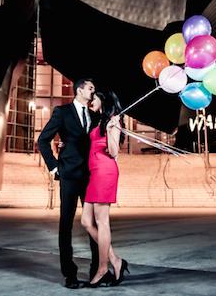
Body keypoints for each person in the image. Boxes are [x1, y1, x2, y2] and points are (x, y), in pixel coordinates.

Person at [37, 78, 101, 289]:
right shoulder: (62, 112)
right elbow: (43, 140)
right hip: (69, 175)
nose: (93, 91)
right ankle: (69, 274)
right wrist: (54, 167)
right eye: (91, 88)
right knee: (66, 224)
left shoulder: (94, 115)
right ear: (80, 89)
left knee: (94, 224)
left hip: (90, 175)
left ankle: (97, 270)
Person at [81, 91, 130, 287]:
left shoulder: (113, 120)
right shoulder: (100, 120)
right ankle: (116, 260)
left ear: (104, 101)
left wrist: (111, 130)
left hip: (105, 171)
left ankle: (103, 268)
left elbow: (114, 151)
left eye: (95, 98)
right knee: (86, 221)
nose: (92, 100)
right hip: (95, 173)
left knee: (102, 222)